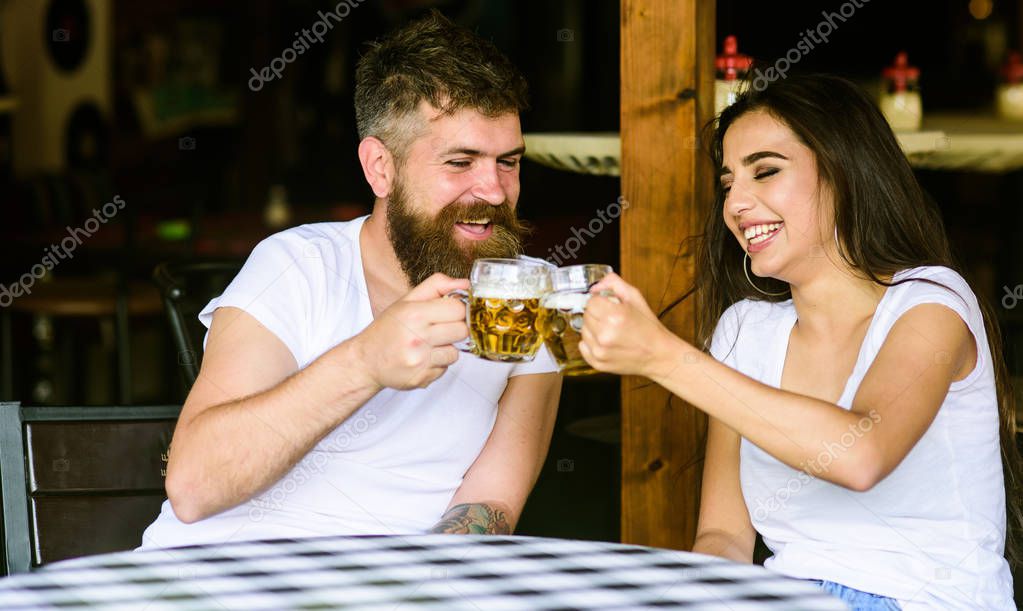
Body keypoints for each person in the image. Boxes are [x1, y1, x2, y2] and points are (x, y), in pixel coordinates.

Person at [578, 74, 1019, 610]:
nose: (737, 202)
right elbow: (725, 537)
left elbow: (862, 455)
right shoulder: (744, 331)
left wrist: (663, 356)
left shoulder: (932, 304)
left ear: (844, 173)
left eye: (765, 171)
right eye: (727, 184)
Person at [139, 11, 561, 550]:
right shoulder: (298, 266)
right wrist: (365, 361)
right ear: (380, 168)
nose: (495, 190)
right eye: (460, 162)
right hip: (223, 574)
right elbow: (194, 487)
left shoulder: (526, 294)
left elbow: (492, 503)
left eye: (508, 162)